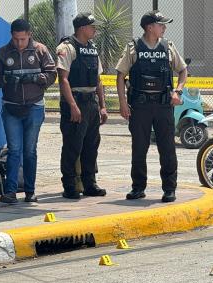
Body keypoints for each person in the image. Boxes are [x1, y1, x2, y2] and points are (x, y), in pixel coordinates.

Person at [116, 10, 187, 203]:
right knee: (139, 148)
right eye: (161, 24)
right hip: (140, 106)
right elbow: (121, 75)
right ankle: (138, 187)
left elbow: (183, 70)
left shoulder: (168, 47)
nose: (164, 27)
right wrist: (123, 102)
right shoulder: (133, 47)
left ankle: (169, 189)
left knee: (167, 148)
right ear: (149, 27)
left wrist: (178, 91)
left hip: (163, 106)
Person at [0, 19, 56, 204]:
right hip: (11, 107)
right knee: (14, 150)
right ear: (12, 36)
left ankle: (30, 191)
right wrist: (6, 80)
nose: (19, 43)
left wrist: (37, 78)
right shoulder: (3, 52)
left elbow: (52, 74)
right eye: (16, 39)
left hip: (34, 107)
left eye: (23, 39)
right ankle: (10, 192)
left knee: (30, 150)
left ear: (30, 35)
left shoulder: (40, 50)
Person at [56, 12, 108, 199]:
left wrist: (102, 106)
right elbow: (63, 79)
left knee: (91, 145)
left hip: (91, 103)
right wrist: (72, 105)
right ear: (81, 28)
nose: (95, 29)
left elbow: (99, 80)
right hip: (76, 101)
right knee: (72, 145)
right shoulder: (67, 47)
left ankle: (89, 183)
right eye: (92, 26)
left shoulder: (92, 48)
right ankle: (69, 185)